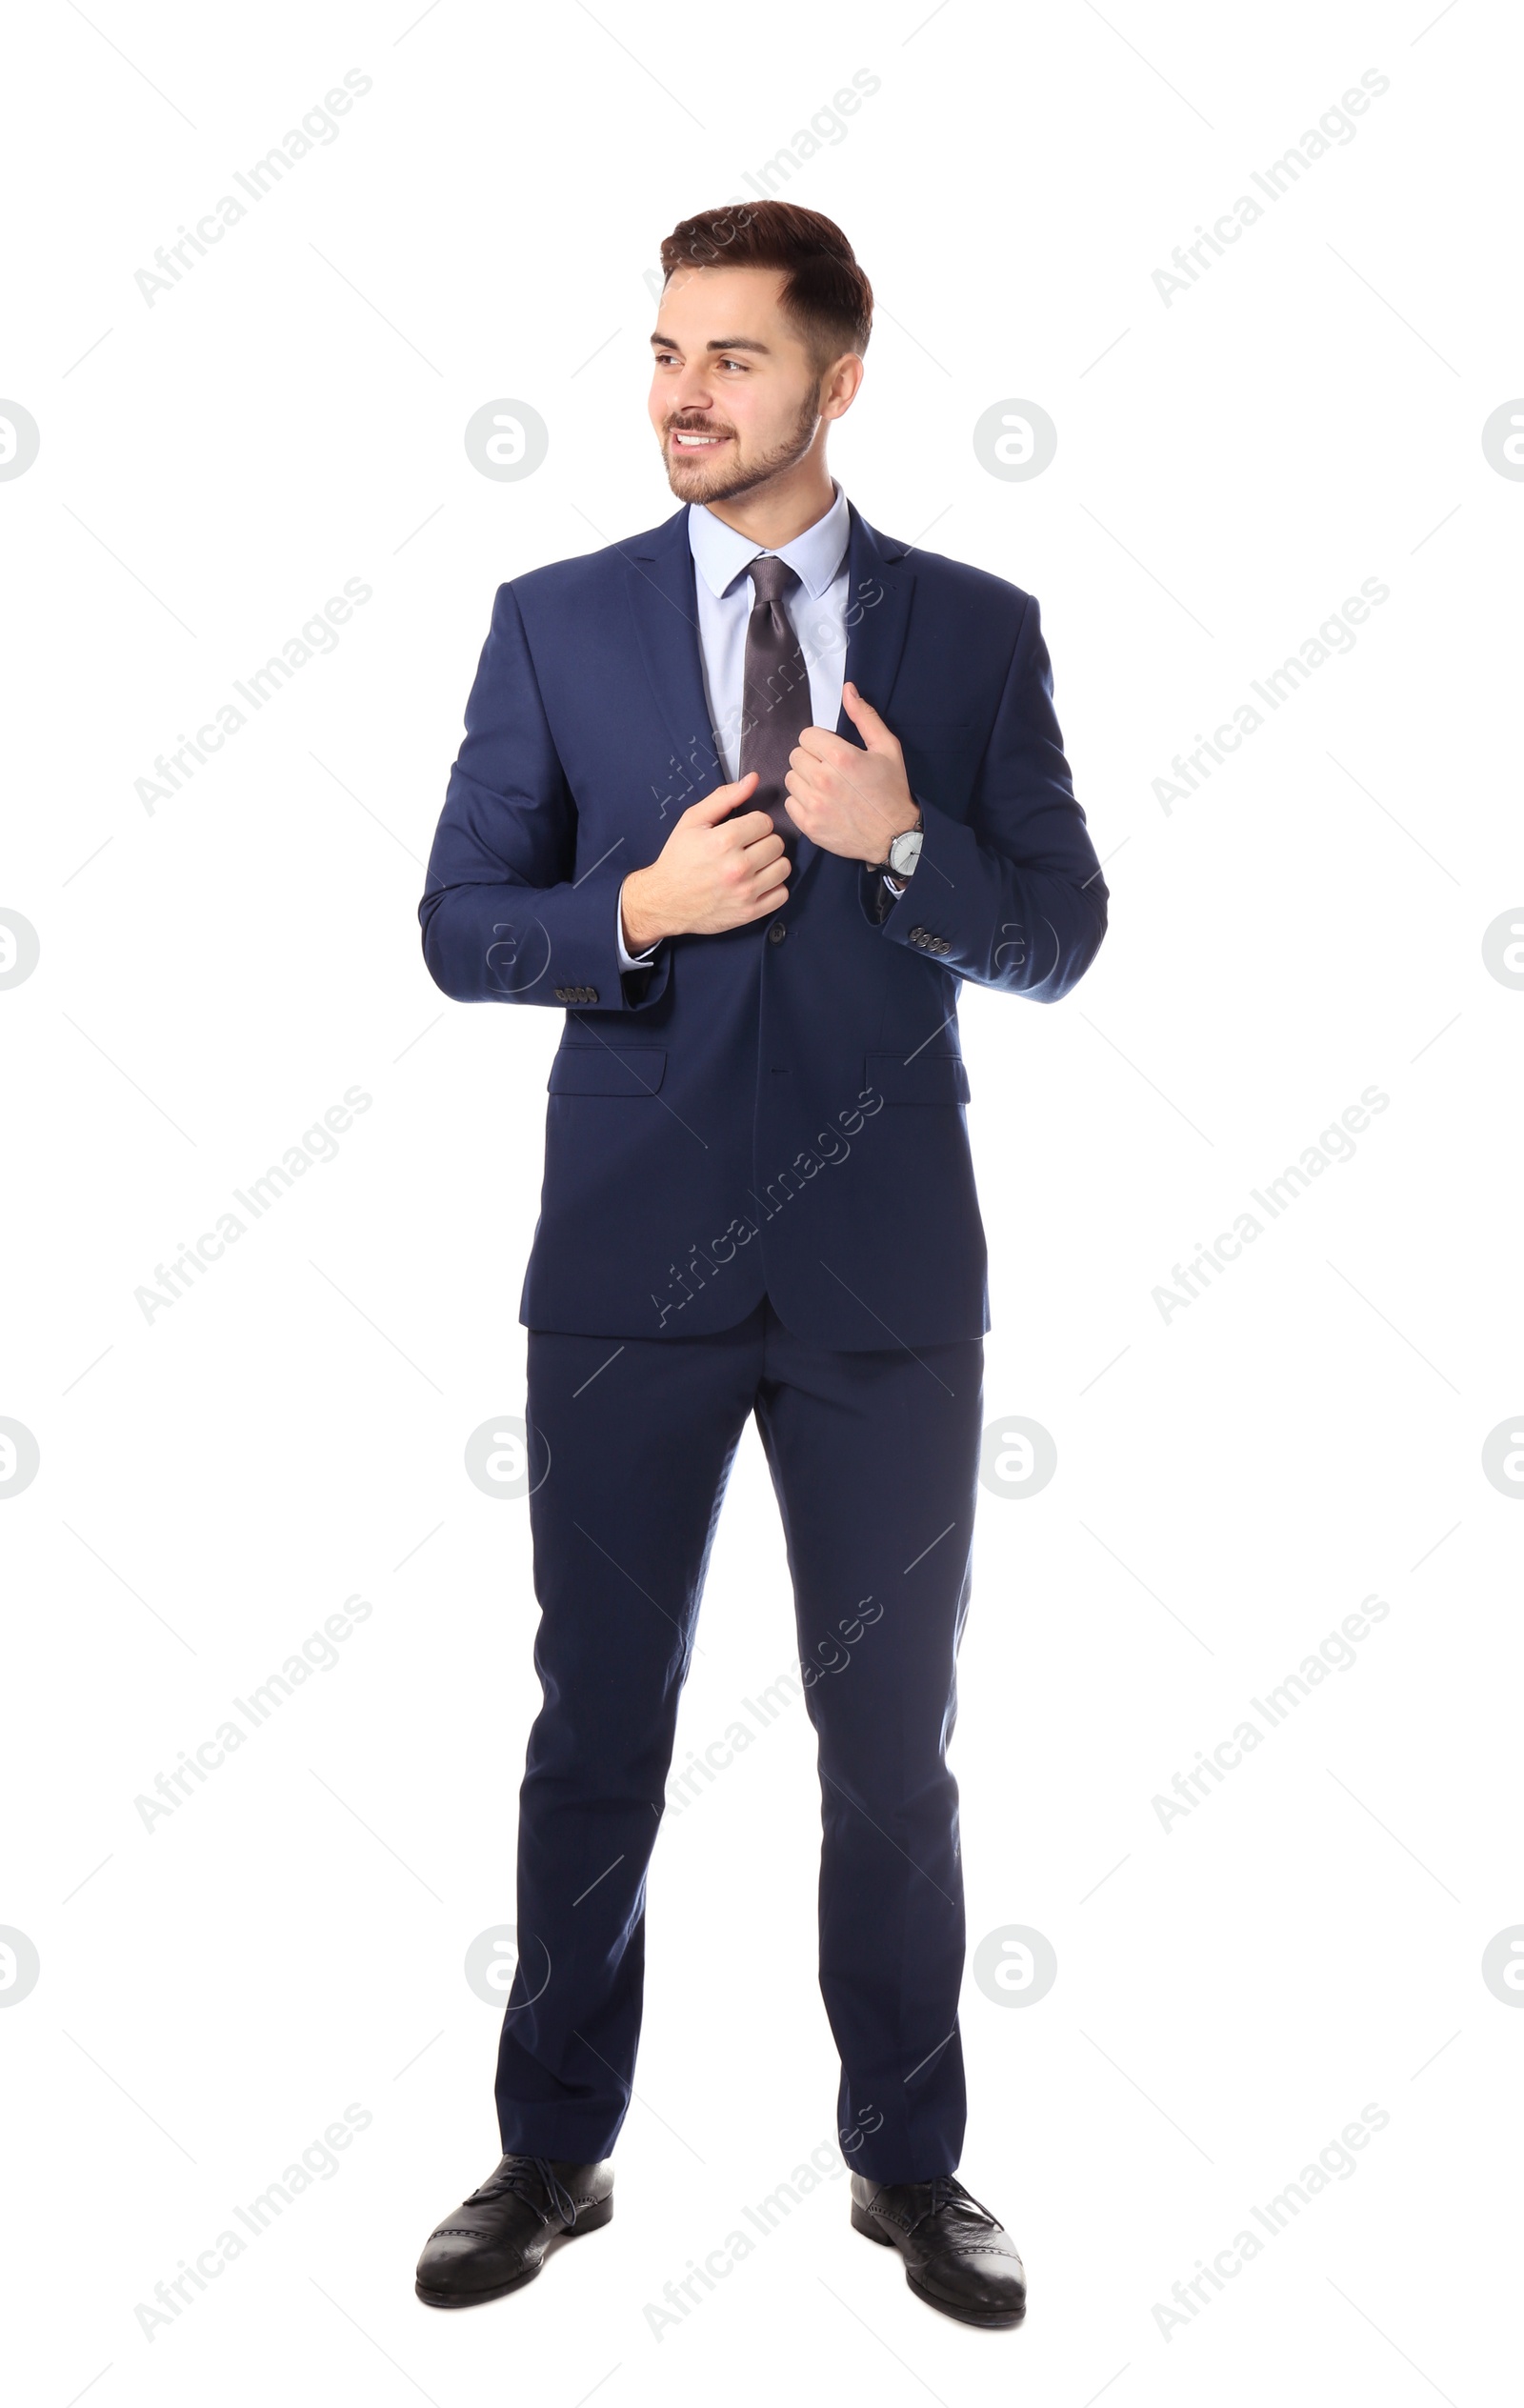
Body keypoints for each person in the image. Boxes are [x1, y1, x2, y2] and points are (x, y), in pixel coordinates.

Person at [412, 199, 1108, 2331]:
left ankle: (909, 2166)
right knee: (593, 1725)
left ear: (835, 378)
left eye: (726, 356)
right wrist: (630, 912)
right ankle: (551, 2148)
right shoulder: (554, 619)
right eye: (658, 351)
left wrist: (903, 844)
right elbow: (457, 925)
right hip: (625, 1270)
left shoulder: (973, 633)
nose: (679, 394)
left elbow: (1061, 939)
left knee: (890, 1740)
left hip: (887, 1287)